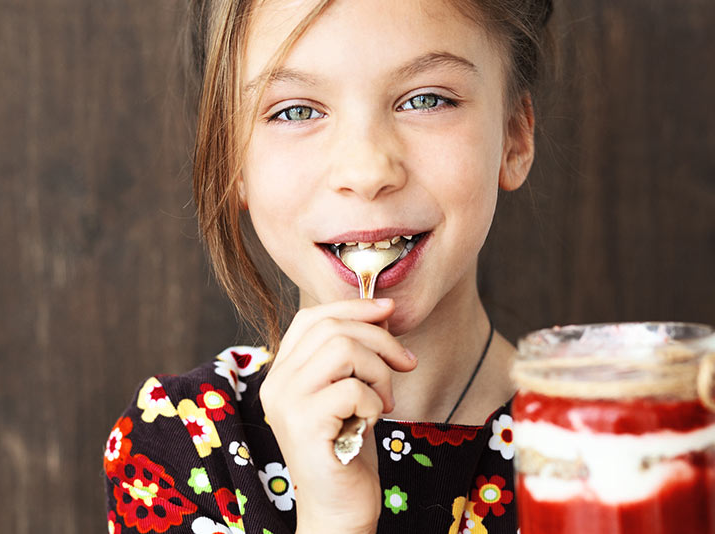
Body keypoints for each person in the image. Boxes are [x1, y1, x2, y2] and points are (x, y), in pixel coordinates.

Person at [104, 0, 554, 532]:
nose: (366, 171)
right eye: (295, 111)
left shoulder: (616, 441)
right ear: (232, 158)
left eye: (426, 99)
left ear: (515, 137)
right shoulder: (183, 449)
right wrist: (333, 519)